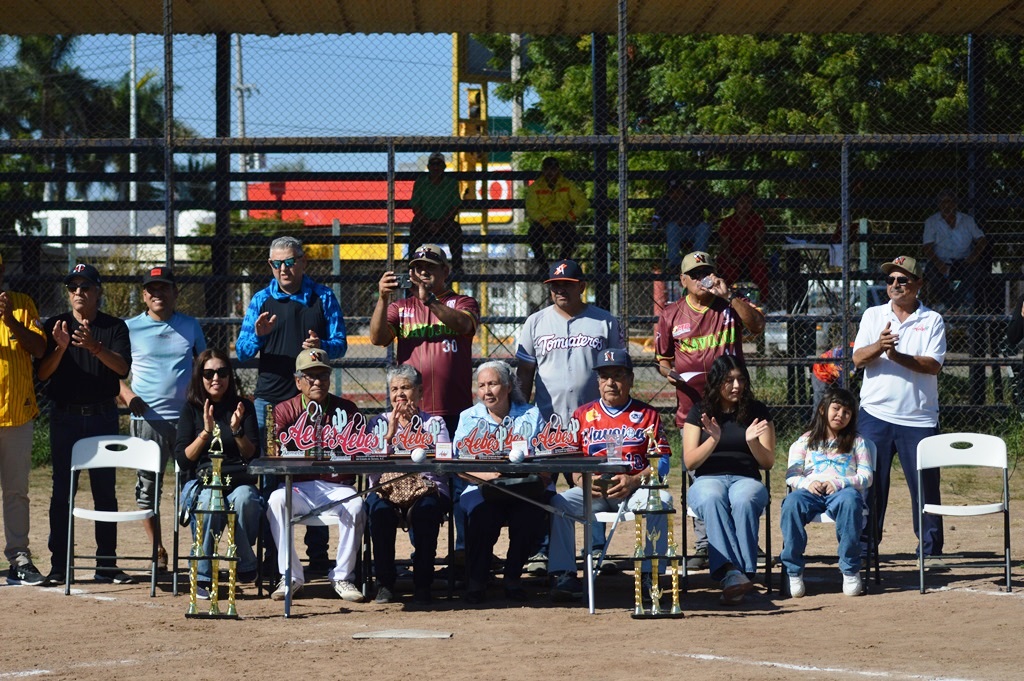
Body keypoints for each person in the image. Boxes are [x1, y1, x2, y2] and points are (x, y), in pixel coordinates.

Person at [236, 235, 348, 573]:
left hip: (313, 399)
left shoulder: (322, 296)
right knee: (272, 477)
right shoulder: (261, 298)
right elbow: (242, 351)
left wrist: (321, 344)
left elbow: (341, 345)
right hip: (271, 399)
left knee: (317, 469)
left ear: (302, 262)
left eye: (289, 262)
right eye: (276, 263)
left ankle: (317, 557)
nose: (283, 269)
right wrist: (257, 334)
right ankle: (275, 558)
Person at [655, 250, 765, 571]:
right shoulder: (671, 314)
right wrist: (669, 374)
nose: (702, 277)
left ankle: (746, 543)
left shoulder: (730, 306)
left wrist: (730, 296)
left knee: (741, 472)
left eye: (707, 271)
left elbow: (757, 325)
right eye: (695, 273)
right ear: (683, 281)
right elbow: (662, 360)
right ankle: (705, 545)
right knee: (701, 477)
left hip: (735, 407)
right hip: (693, 409)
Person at [370, 243, 479, 562]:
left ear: (446, 271)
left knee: (459, 484)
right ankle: (423, 555)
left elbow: (463, 326)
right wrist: (382, 298)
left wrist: (430, 301)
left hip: (455, 410)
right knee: (416, 482)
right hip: (413, 415)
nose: (423, 272)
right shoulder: (400, 307)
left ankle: (462, 552)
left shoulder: (462, 301)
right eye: (418, 267)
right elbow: (378, 338)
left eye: (431, 266)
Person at [516, 258, 625, 575]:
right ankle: (542, 551)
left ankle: (594, 552)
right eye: (555, 285)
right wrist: (523, 412)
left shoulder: (603, 321)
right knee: (544, 487)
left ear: (582, 286)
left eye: (567, 284)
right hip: (547, 425)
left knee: (592, 485)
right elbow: (524, 372)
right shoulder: (535, 322)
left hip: (593, 424)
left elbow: (617, 368)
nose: (560, 289)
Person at [548, 348, 673, 602]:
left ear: (631, 379)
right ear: (598, 381)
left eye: (617, 375)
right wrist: (581, 480)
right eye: (604, 377)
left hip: (633, 491)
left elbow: (663, 461)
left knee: (664, 501)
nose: (610, 383)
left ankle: (651, 574)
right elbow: (570, 459)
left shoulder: (648, 415)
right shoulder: (582, 415)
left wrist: (635, 480)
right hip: (593, 491)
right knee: (559, 503)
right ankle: (565, 574)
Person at [37, 263, 133, 586]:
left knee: (105, 491)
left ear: (97, 292)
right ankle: (59, 565)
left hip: (102, 416)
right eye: (73, 287)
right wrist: (62, 348)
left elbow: (121, 369)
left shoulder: (114, 327)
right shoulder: (55, 326)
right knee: (62, 491)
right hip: (65, 418)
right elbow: (42, 374)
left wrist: (95, 347)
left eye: (86, 287)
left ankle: (106, 563)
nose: (79, 292)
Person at [852, 255, 946, 565]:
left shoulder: (932, 320)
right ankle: (866, 546)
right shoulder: (873, 315)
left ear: (918, 284)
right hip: (875, 414)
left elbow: (932, 366)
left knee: (925, 487)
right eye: (890, 280)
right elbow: (858, 359)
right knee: (870, 484)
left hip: (918, 418)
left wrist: (897, 355)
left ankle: (931, 551)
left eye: (902, 280)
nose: (895, 285)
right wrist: (880, 346)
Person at [120, 266, 206, 573]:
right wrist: (127, 395)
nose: (158, 294)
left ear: (175, 292)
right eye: (152, 289)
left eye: (164, 288)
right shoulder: (129, 328)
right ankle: (157, 548)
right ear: (144, 295)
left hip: (187, 423)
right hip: (147, 421)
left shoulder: (190, 325)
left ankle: (199, 550)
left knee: (195, 486)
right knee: (147, 488)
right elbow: (115, 372)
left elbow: (205, 366)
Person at [265, 348, 366, 602]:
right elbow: (274, 454)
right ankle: (291, 576)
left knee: (355, 504)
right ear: (298, 381)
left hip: (335, 485)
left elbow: (361, 453)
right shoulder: (283, 411)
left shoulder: (347, 409)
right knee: (276, 500)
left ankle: (342, 575)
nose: (317, 381)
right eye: (310, 377)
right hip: (297, 486)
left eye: (322, 375)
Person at [683, 355, 775, 605]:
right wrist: (713, 440)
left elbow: (767, 462)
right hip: (707, 478)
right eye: (729, 380)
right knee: (713, 497)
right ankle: (733, 572)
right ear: (716, 382)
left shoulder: (757, 411)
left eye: (740, 380)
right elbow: (690, 462)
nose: (736, 386)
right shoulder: (700, 412)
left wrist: (752, 441)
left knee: (744, 499)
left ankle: (737, 576)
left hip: (746, 477)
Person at [452, 360, 545, 603]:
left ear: (507, 386)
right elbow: (459, 465)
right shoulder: (468, 417)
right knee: (482, 516)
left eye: (492, 384)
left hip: (522, 486)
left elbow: (546, 456)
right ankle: (477, 580)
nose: (486, 391)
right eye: (481, 385)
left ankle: (512, 577)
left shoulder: (531, 414)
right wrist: (487, 477)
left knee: (529, 516)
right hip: (481, 486)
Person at [174, 349, 260, 599]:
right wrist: (205, 433)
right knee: (212, 504)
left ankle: (241, 562)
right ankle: (205, 575)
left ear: (229, 376)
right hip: (206, 482)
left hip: (239, 480)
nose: (216, 378)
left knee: (245, 499)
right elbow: (182, 458)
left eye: (222, 372)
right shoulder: (191, 409)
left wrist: (236, 430)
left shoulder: (245, 407)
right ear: (199, 377)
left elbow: (252, 454)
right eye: (208, 373)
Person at [366, 364, 451, 605]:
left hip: (427, 487)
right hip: (385, 489)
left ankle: (423, 584)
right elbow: (372, 465)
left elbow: (441, 463)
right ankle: (384, 583)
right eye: (394, 389)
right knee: (379, 513)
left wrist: (415, 426)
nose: (399, 394)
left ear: (420, 392)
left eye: (406, 387)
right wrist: (390, 435)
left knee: (426, 512)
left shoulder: (435, 423)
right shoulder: (377, 422)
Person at [780, 387, 874, 598]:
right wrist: (806, 484)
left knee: (851, 501)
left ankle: (850, 569)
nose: (840, 415)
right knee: (791, 503)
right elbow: (791, 475)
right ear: (823, 409)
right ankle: (793, 571)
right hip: (809, 493)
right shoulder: (805, 440)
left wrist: (841, 484)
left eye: (847, 412)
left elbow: (867, 477)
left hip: (842, 492)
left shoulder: (857, 442)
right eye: (836, 408)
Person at [0, 252, 47, 585]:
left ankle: (19, 558)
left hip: (17, 414)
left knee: (16, 492)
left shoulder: (21, 304)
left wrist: (11, 323)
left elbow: (41, 349)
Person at [922, 189, 988, 310]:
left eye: (949, 202)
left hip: (964, 262)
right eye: (943, 202)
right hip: (941, 262)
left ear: (955, 204)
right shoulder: (931, 222)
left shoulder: (967, 220)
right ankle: (952, 303)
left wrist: (974, 255)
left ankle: (952, 303)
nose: (946, 205)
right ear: (939, 205)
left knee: (976, 269)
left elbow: (982, 240)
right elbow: (927, 247)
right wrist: (938, 263)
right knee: (930, 270)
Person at [525, 156, 589, 274]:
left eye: (553, 169)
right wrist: (547, 224)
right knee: (532, 235)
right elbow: (532, 208)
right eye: (547, 169)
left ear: (558, 170)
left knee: (570, 236)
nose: (550, 172)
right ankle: (543, 265)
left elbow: (583, 202)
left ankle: (561, 267)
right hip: (543, 222)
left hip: (563, 220)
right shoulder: (536, 186)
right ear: (543, 171)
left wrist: (570, 217)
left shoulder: (567, 184)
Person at [409, 151, 463, 273]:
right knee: (415, 227)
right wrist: (429, 223)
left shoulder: (451, 183)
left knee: (455, 229)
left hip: (445, 221)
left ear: (444, 167)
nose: (436, 167)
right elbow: (415, 207)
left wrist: (441, 223)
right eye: (433, 164)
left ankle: (457, 266)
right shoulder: (421, 182)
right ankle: (412, 266)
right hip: (424, 221)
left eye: (439, 164)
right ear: (428, 167)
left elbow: (455, 207)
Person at [715, 193, 770, 303]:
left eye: (748, 203)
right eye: (741, 203)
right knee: (728, 271)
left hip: (751, 256)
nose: (745, 206)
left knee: (760, 270)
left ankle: (763, 302)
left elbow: (759, 242)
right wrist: (730, 258)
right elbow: (724, 245)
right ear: (736, 205)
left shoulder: (756, 220)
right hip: (732, 256)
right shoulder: (727, 222)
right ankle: (726, 301)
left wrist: (758, 257)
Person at [653, 179, 712, 269]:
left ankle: (698, 261)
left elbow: (713, 205)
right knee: (672, 227)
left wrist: (712, 219)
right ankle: (675, 264)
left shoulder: (694, 196)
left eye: (678, 190)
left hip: (695, 229)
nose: (675, 194)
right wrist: (660, 225)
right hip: (677, 232)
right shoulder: (664, 201)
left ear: (683, 190)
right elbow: (656, 219)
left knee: (704, 227)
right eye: (671, 192)